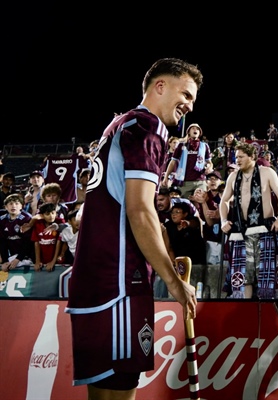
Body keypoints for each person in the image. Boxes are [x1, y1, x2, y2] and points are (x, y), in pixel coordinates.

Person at [64, 57, 200, 400]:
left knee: (106, 390)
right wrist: (174, 283)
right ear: (160, 86)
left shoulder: (119, 125)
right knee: (119, 390)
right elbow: (140, 211)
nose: (189, 104)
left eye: (194, 99)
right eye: (185, 93)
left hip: (96, 281)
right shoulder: (148, 128)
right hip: (120, 283)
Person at [219, 142, 278, 299]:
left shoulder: (267, 172)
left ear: (252, 156)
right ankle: (244, 314)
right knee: (243, 278)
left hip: (265, 229)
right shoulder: (233, 176)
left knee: (267, 277)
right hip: (240, 231)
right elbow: (223, 201)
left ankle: (267, 316)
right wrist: (224, 220)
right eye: (236, 157)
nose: (237, 160)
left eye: (241, 157)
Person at [0, 194, 33, 271]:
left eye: (16, 203)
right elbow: (2, 241)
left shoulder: (27, 218)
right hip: (12, 255)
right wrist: (5, 261)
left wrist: (18, 259)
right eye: (10, 204)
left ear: (21, 206)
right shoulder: (2, 220)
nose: (13, 206)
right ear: (6, 207)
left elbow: (28, 242)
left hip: (27, 256)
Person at [31, 202, 64, 272]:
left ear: (56, 213)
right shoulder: (37, 224)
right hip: (43, 259)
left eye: (53, 213)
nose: (51, 216)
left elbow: (59, 242)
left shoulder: (60, 222)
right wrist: (37, 261)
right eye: (47, 214)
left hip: (57, 260)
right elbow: (36, 242)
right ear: (42, 215)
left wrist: (53, 261)